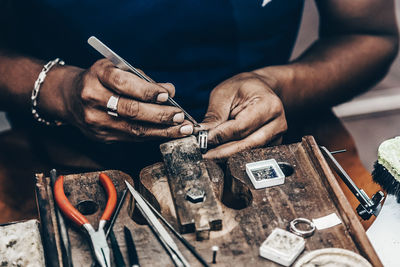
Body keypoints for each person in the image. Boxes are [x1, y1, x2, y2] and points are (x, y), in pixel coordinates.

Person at [0, 1, 397, 221]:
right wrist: (57, 90)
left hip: (269, 143)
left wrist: (279, 85)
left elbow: (369, 36)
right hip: (56, 156)